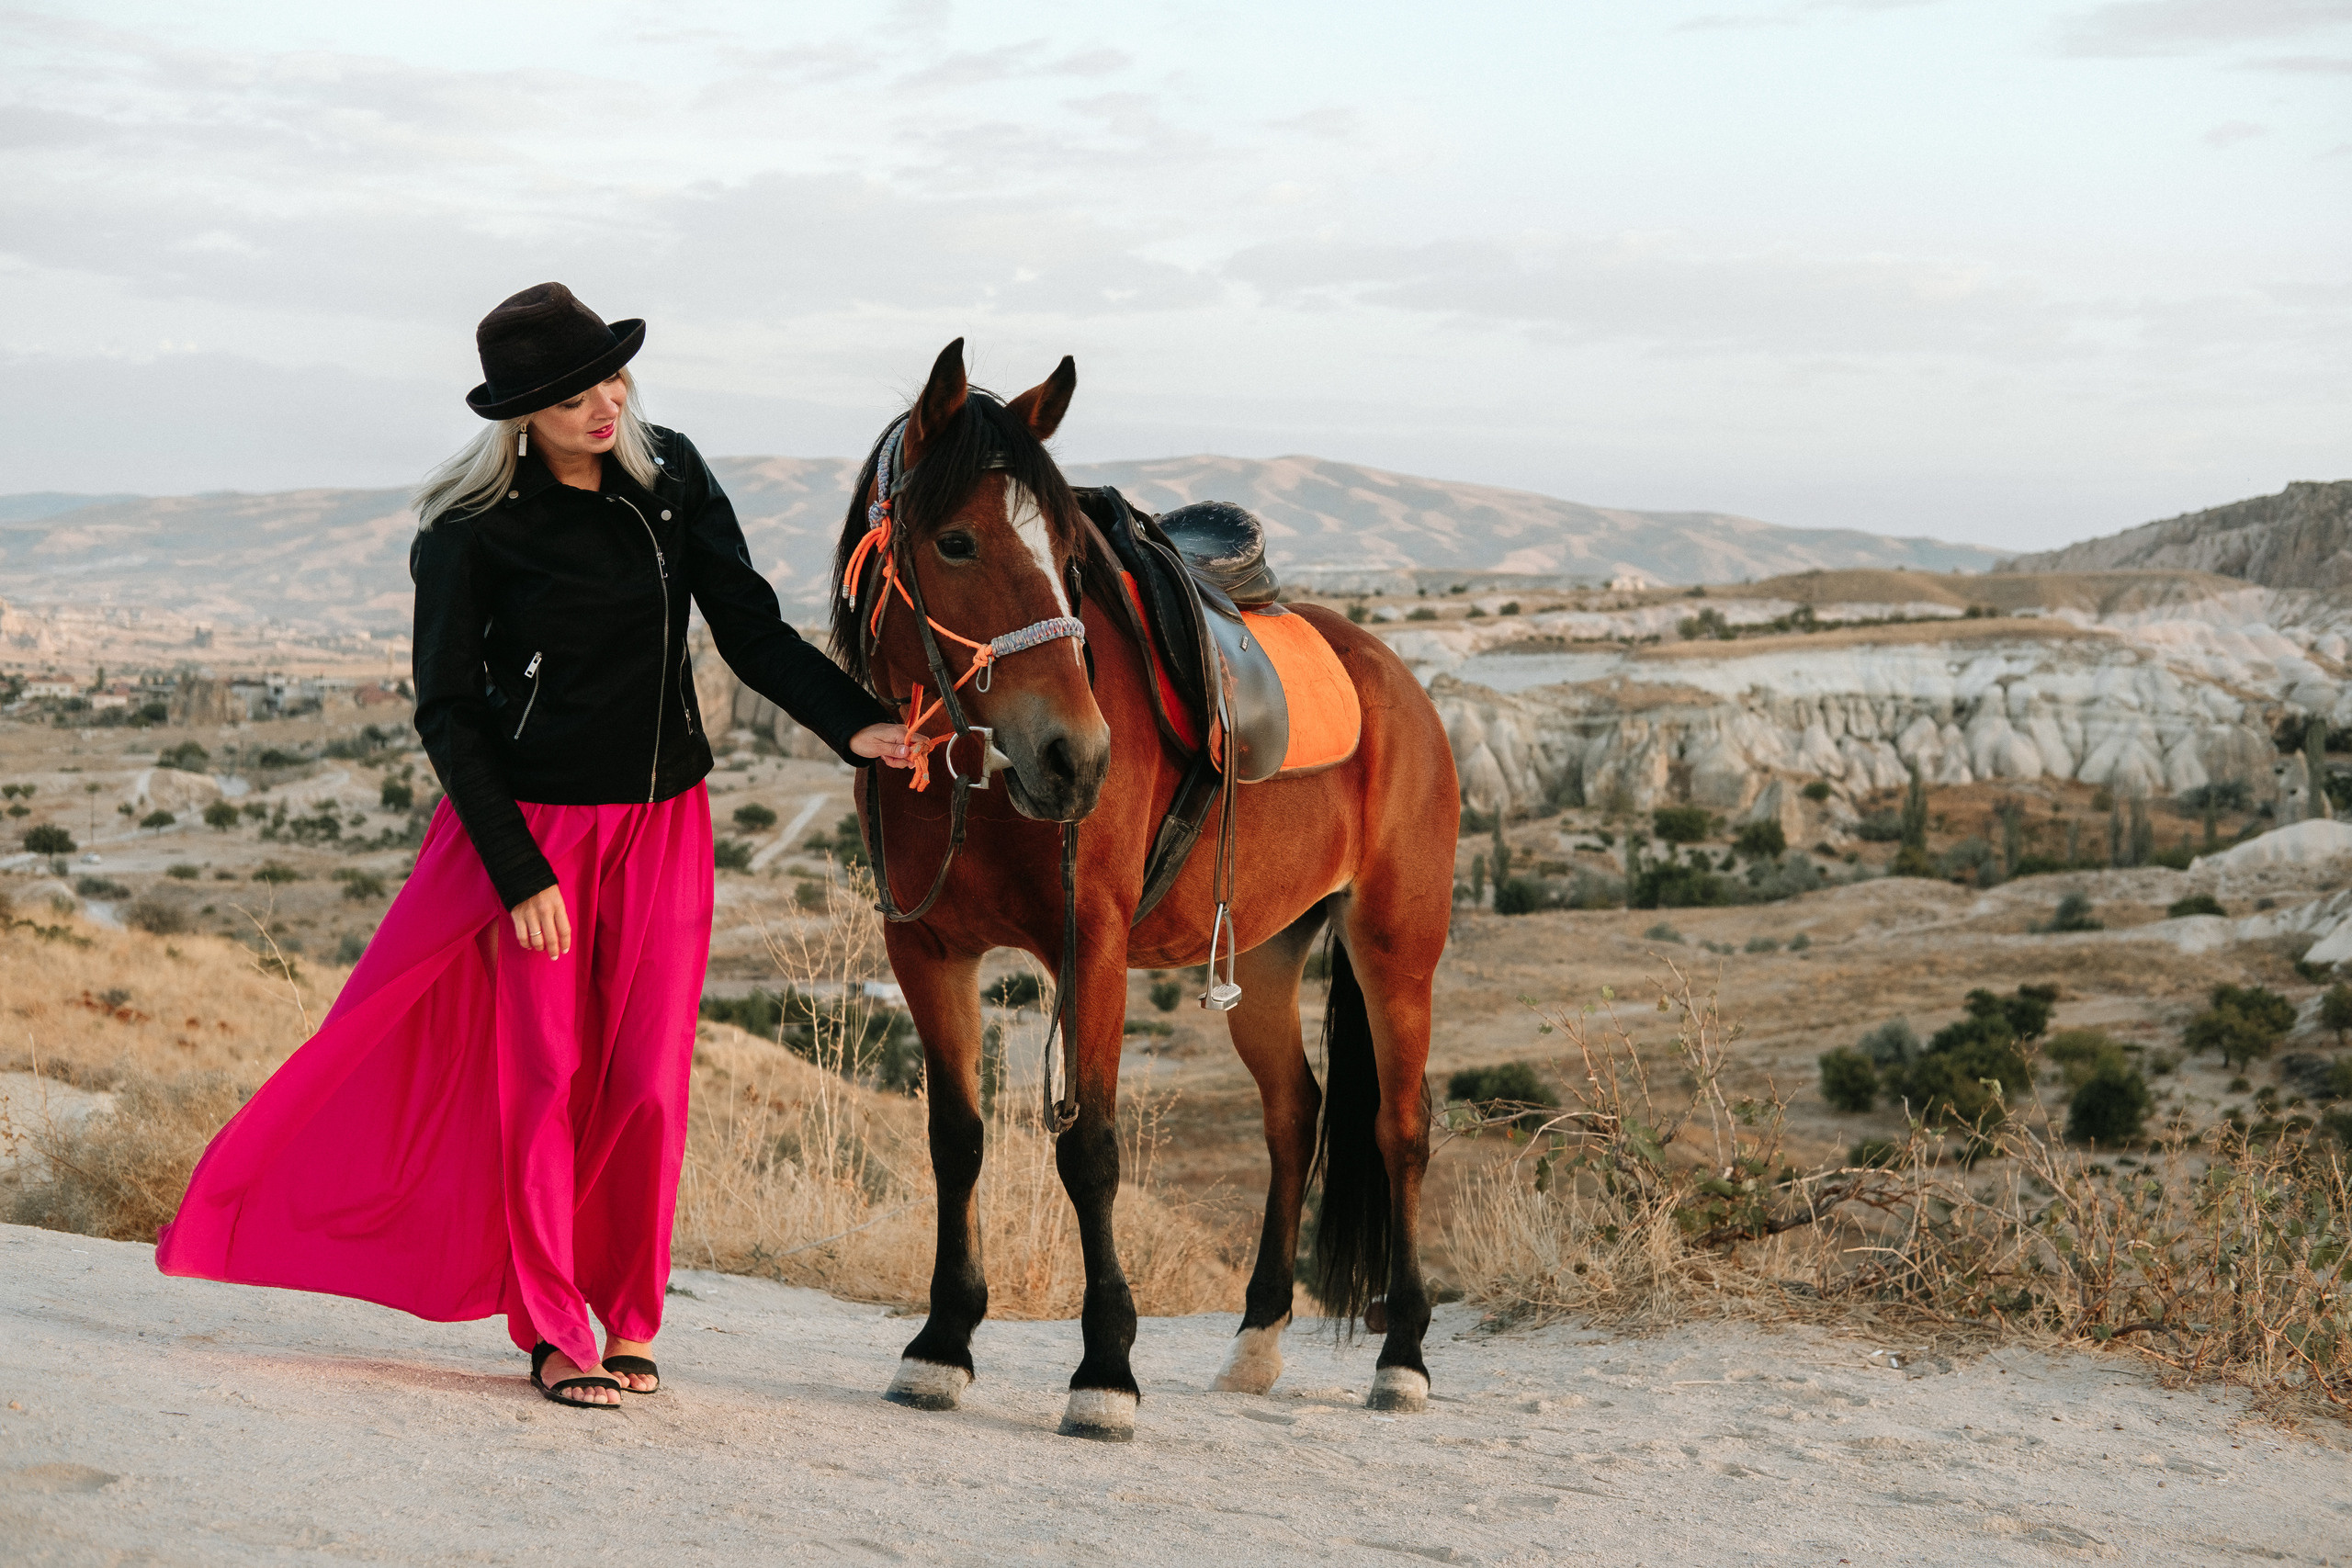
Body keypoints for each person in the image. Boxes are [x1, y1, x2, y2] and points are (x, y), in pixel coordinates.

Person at [156, 282, 913, 1408]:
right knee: (545, 1078)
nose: (604, 403)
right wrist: (518, 872)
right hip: (536, 834)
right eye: (572, 394)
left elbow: (748, 628)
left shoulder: (672, 479)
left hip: (667, 820)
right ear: (521, 413)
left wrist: (856, 725)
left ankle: (634, 1315)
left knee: (650, 1083)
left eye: (611, 376)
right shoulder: (469, 532)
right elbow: (449, 715)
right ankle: (558, 1330)